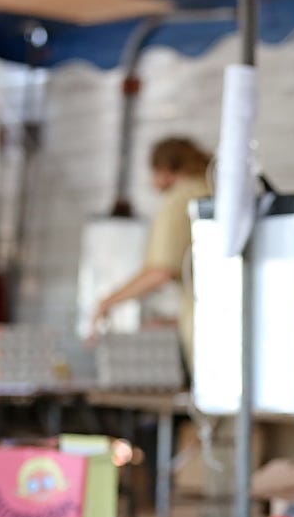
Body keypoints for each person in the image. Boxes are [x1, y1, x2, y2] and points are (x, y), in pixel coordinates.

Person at [91, 137, 212, 369]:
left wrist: (106, 303)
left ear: (165, 170)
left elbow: (159, 272)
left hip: (204, 338)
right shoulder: (213, 191)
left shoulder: (180, 199)